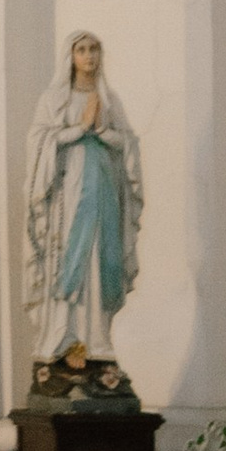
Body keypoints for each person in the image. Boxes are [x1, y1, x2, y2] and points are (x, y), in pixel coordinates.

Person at [25, 30, 145, 358]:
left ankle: (97, 341)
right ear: (71, 56)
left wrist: (103, 131)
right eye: (82, 50)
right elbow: (38, 141)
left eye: (94, 49)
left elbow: (128, 144)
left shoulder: (110, 99)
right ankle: (64, 337)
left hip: (104, 194)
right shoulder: (54, 99)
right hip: (69, 197)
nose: (89, 56)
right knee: (69, 259)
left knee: (100, 258)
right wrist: (77, 129)